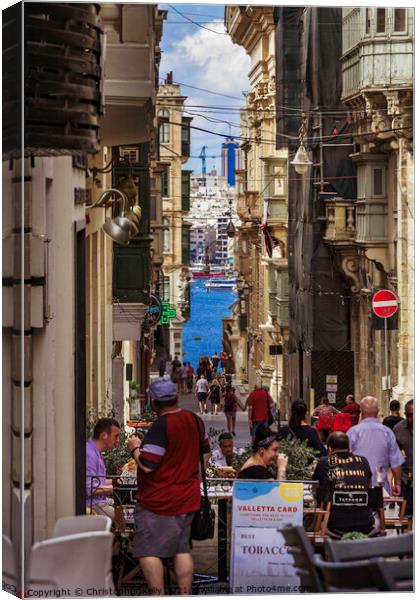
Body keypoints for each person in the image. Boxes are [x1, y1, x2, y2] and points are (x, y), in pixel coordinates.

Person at [127, 379, 210, 596]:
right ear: (176, 397)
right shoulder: (195, 420)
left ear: (154, 402)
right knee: (182, 549)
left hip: (158, 500)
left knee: (148, 550)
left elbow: (147, 465)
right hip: (188, 497)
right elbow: (206, 454)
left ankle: (158, 595)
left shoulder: (161, 426)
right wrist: (194, 479)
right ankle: (184, 594)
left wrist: (134, 448)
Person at [312, 432, 375, 536]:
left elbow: (317, 487)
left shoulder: (325, 461)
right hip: (365, 524)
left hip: (334, 524)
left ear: (329, 449)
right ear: (349, 448)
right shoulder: (363, 461)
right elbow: (368, 485)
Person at [347, 395, 404, 495]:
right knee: (380, 508)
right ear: (377, 412)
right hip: (380, 488)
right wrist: (398, 483)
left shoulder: (353, 432)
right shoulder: (387, 432)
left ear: (361, 411)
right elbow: (395, 462)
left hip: (357, 487)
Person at [86, 418, 121, 519]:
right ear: (104, 435)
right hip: (92, 505)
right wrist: (116, 488)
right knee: (124, 516)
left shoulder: (94, 451)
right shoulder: (89, 454)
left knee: (124, 509)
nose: (118, 440)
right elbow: (91, 488)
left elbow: (98, 481)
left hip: (99, 501)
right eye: (116, 436)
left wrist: (116, 481)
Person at [393, 400, 413, 515]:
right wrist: (397, 482)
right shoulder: (398, 429)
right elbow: (395, 457)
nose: (412, 419)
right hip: (407, 478)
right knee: (406, 514)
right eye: (409, 415)